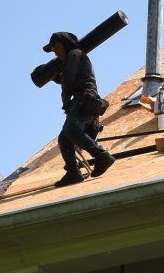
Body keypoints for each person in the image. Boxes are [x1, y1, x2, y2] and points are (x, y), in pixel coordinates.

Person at [43, 30, 116, 186]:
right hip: (87, 103)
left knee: (70, 131)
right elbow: (69, 77)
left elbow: (68, 79)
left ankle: (102, 156)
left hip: (84, 101)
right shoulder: (75, 58)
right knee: (64, 138)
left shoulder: (74, 54)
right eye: (53, 50)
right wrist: (54, 77)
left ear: (65, 44)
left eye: (57, 47)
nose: (55, 52)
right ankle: (73, 172)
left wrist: (65, 102)